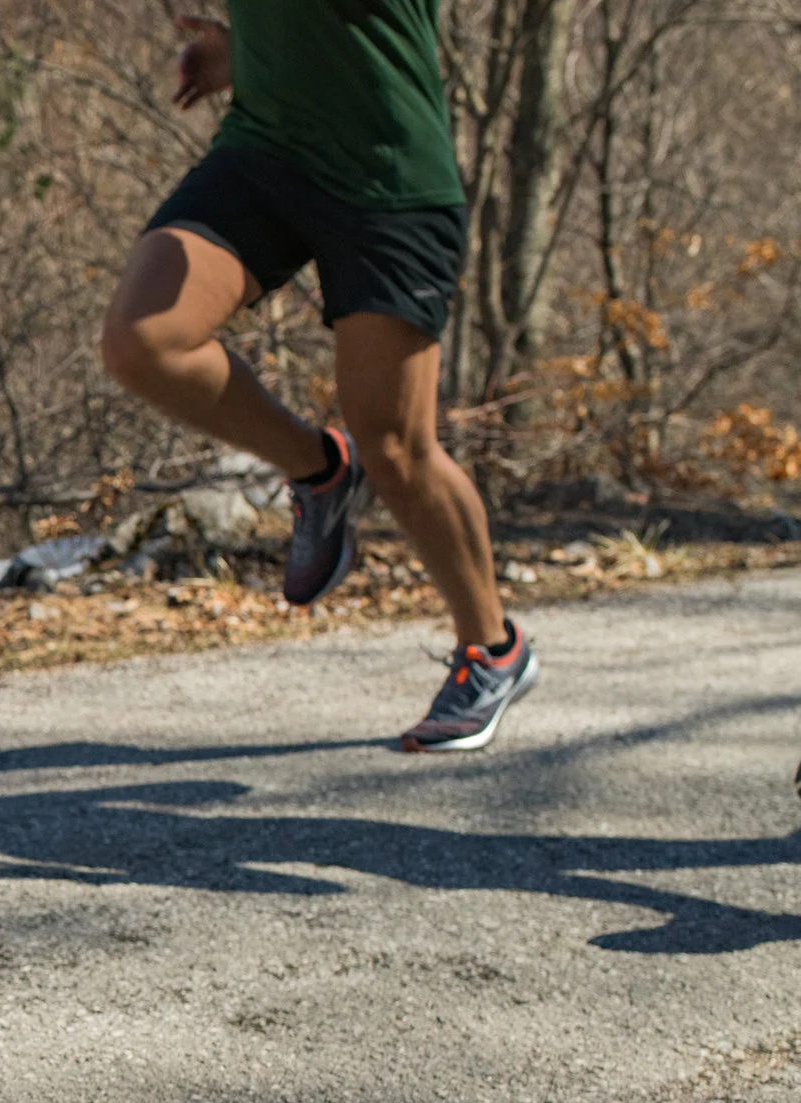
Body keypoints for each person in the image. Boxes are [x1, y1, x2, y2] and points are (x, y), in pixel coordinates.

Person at [100, 4, 538, 752]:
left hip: (388, 180)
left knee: (399, 450)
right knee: (145, 341)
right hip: (268, 152)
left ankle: (492, 648)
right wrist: (252, 52)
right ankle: (319, 469)